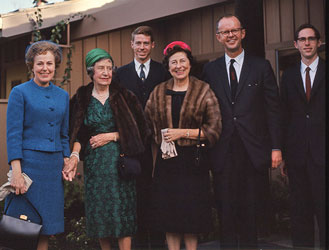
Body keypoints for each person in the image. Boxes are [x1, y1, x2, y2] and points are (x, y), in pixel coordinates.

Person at [202, 15, 282, 249]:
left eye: (234, 30)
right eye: (225, 32)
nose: (230, 35)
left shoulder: (261, 66)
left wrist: (276, 147)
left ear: (243, 33)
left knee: (250, 212)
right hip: (222, 151)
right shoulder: (210, 69)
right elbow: (205, 110)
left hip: (253, 152)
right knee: (226, 213)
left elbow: (273, 110)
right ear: (219, 37)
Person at [65, 48, 150, 250]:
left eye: (109, 68)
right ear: (91, 71)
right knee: (100, 216)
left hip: (120, 164)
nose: (106, 72)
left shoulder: (125, 96)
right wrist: (75, 155)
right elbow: (79, 134)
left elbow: (142, 131)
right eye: (101, 68)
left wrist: (112, 136)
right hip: (96, 168)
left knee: (122, 214)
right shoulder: (81, 98)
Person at [145, 41, 221, 250]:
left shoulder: (203, 90)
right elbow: (146, 124)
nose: (178, 66)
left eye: (182, 61)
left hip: (193, 163)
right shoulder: (158, 91)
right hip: (167, 163)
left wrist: (182, 133)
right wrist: (160, 139)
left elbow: (214, 129)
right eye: (173, 62)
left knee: (191, 217)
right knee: (169, 217)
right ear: (168, 67)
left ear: (189, 63)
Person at [6, 40, 70, 250]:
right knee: (22, 225)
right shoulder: (20, 92)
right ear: (32, 66)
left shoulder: (63, 96)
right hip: (28, 169)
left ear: (55, 65)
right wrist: (16, 172)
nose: (45, 68)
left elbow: (64, 135)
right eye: (40, 63)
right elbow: (13, 134)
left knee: (46, 228)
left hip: (52, 170)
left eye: (49, 63)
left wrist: (67, 160)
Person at [114, 25, 169, 241]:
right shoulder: (120, 74)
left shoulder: (162, 72)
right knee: (134, 197)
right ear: (131, 45)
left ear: (153, 45)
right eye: (138, 43)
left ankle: (157, 243)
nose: (142, 47)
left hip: (158, 144)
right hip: (131, 145)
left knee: (157, 196)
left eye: (146, 43)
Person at [280, 24, 325, 249]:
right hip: (297, 158)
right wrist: (284, 154)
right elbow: (284, 116)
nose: (307, 43)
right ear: (295, 44)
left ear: (319, 42)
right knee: (300, 216)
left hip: (324, 156)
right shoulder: (287, 77)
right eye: (302, 39)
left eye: (311, 39)